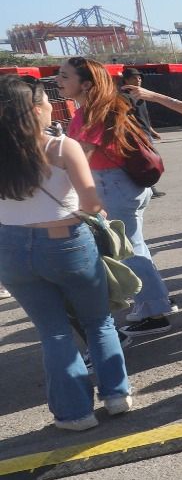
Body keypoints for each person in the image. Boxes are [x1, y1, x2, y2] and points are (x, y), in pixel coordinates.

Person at [0, 76, 131, 431]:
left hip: (9, 249)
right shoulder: (61, 147)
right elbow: (91, 203)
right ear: (35, 109)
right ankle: (116, 395)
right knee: (97, 320)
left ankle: (75, 415)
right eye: (45, 101)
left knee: (53, 331)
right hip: (65, 243)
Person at [58, 56, 175, 336]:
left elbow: (79, 158)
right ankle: (156, 301)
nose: (57, 82)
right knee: (133, 247)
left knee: (128, 250)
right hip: (121, 184)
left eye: (64, 77)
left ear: (85, 84)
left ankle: (156, 311)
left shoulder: (91, 113)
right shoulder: (100, 108)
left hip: (113, 185)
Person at [118, 67, 162, 141]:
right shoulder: (124, 96)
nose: (138, 80)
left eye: (139, 78)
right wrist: (137, 133)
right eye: (134, 78)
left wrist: (152, 131)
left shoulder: (140, 95)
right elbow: (126, 118)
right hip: (136, 136)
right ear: (126, 80)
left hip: (146, 134)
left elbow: (144, 117)